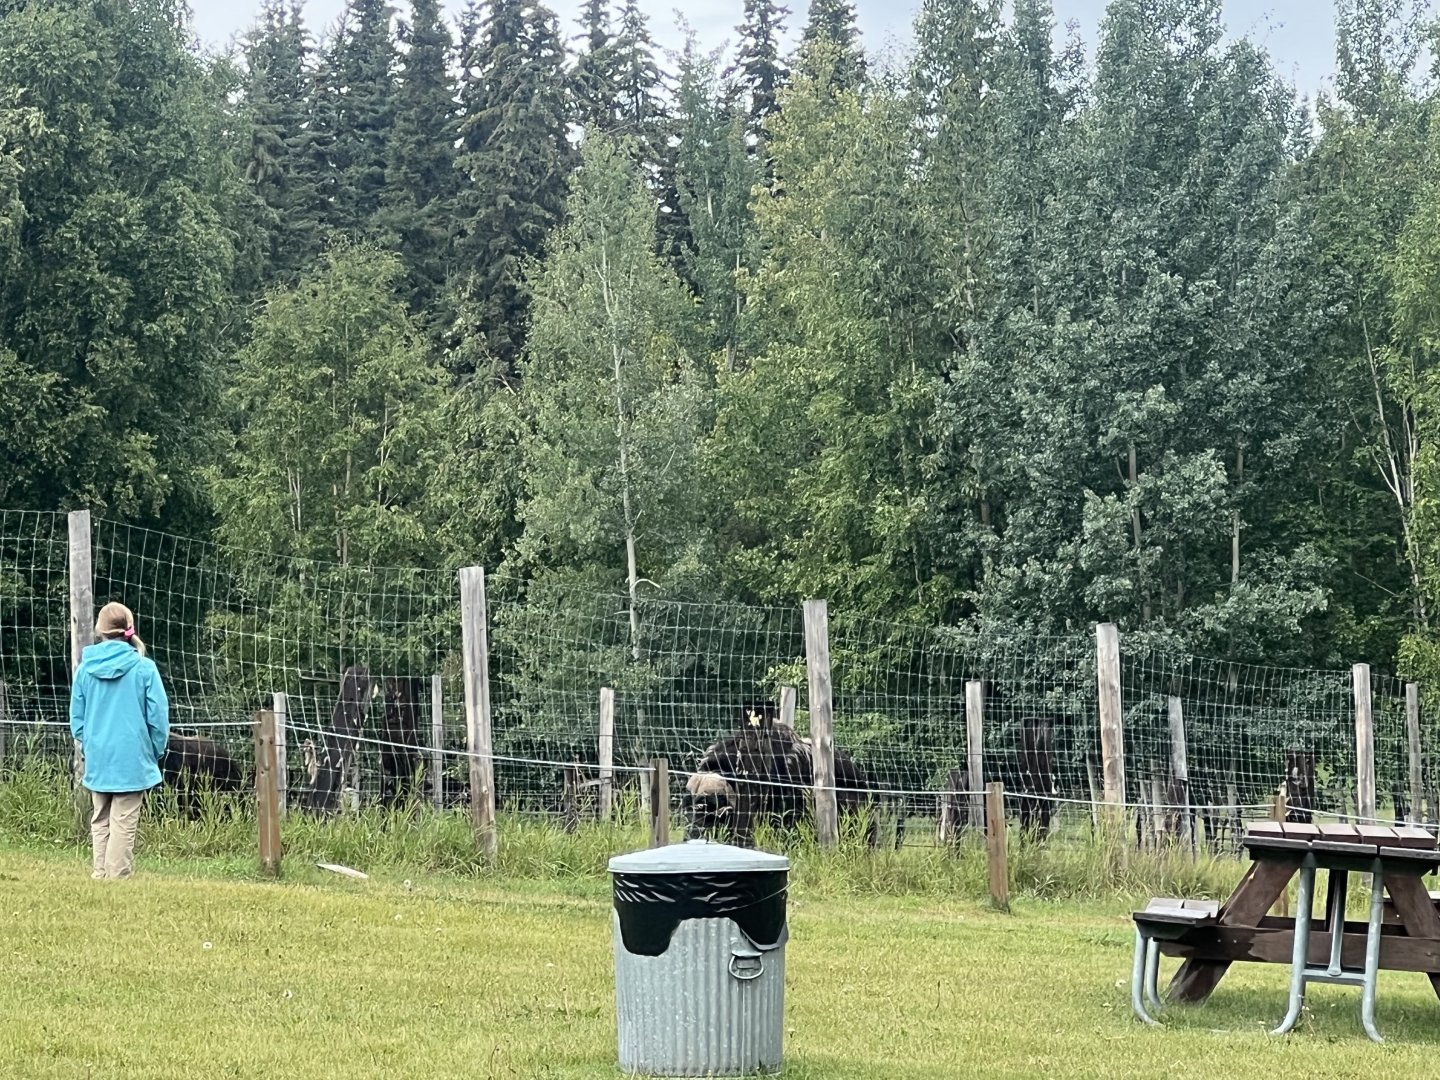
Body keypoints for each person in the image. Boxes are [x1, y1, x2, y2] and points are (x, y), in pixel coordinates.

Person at [69, 601, 170, 879]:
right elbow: (158, 718)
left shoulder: (84, 670)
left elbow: (76, 720)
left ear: (99, 631)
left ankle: (100, 875)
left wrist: (89, 743)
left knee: (99, 819)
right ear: (128, 629)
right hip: (133, 758)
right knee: (123, 822)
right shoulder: (144, 668)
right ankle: (118, 879)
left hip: (99, 757)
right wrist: (154, 750)